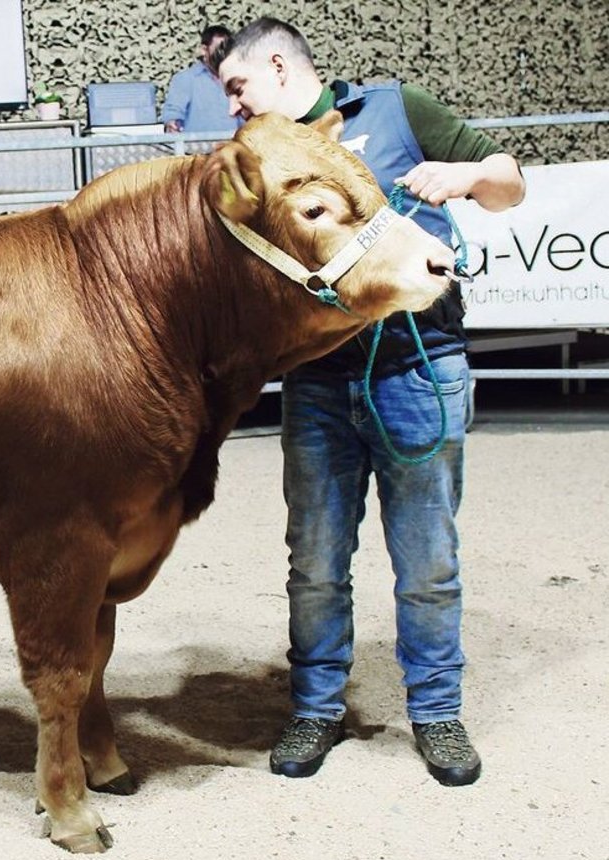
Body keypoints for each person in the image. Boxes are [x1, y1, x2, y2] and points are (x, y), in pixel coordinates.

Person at [214, 17, 525, 787]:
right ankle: (317, 707)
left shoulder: (394, 110)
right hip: (318, 380)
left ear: (278, 66)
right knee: (316, 561)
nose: (231, 106)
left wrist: (467, 178)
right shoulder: (260, 160)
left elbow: (510, 183)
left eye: (237, 86)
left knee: (427, 560)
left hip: (420, 370)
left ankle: (438, 712)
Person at [160, 25, 242, 136]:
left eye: (227, 49)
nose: (223, 54)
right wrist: (172, 124)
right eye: (219, 49)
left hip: (232, 149)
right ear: (204, 50)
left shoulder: (237, 79)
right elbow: (173, 113)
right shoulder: (185, 79)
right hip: (197, 150)